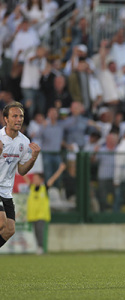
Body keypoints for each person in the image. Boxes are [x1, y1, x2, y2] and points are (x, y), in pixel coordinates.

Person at [0, 101, 41, 249]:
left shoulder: (24, 141)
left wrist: (33, 158)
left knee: (9, 230)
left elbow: (22, 171)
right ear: (6, 119)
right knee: (1, 222)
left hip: (6, 191)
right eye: (15, 116)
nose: (19, 119)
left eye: (21, 116)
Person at [24, 162, 66, 255]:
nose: (34, 180)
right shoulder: (31, 187)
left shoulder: (44, 188)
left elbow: (53, 178)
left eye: (36, 178)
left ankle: (41, 247)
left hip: (41, 215)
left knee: (40, 231)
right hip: (33, 215)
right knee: (35, 232)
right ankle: (38, 247)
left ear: (41, 179)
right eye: (34, 178)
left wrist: (60, 169)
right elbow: (24, 176)